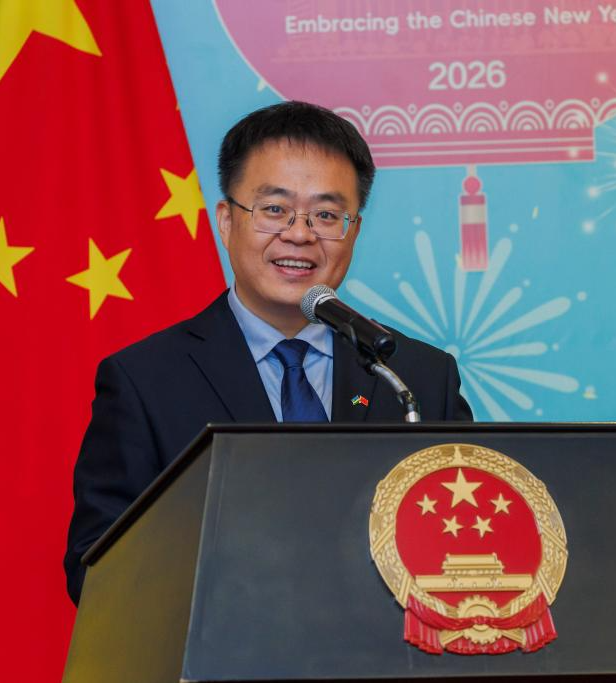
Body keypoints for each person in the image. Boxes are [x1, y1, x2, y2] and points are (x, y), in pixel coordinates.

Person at [64, 101, 472, 605]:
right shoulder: (146, 381)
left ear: (353, 232)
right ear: (226, 221)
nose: (299, 234)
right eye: (275, 209)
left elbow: (465, 540)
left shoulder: (416, 377)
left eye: (326, 215)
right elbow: (97, 572)